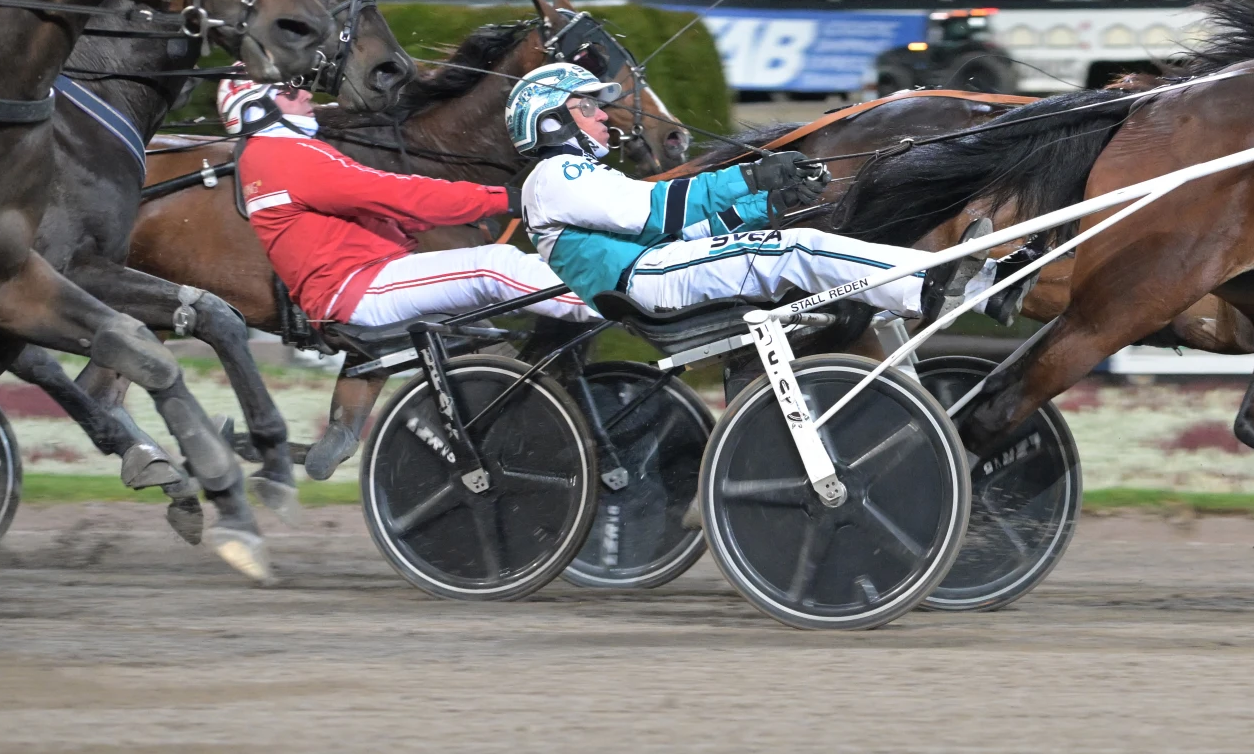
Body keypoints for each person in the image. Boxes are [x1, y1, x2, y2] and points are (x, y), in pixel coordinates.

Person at [221, 76, 596, 477]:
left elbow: (375, 210)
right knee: (493, 265)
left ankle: (349, 433)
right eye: (291, 91)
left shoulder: (266, 158)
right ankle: (606, 300)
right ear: (257, 109)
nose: (308, 95)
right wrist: (505, 198)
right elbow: (398, 194)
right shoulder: (287, 155)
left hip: (350, 287)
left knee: (488, 309)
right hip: (359, 289)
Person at [504, 63, 995, 323]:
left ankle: (983, 294)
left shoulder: (579, 178)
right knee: (799, 248)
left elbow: (685, 229)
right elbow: (652, 213)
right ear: (550, 120)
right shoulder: (554, 176)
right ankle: (925, 291)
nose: (604, 116)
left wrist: (768, 206)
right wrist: (751, 177)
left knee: (793, 238)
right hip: (641, 281)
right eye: (588, 107)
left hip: (652, 269)